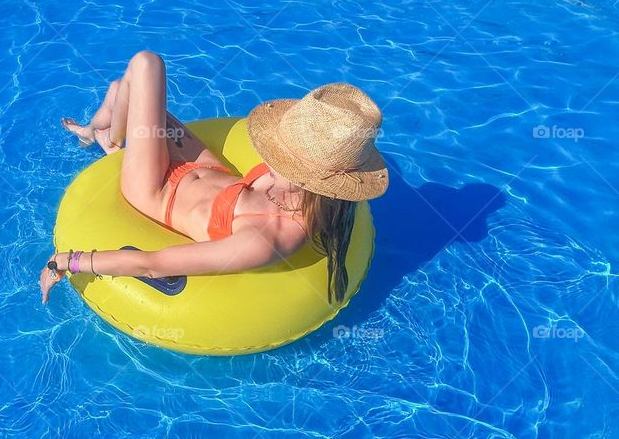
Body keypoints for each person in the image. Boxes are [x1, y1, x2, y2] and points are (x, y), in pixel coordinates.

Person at [41, 50, 388, 304]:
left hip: (157, 189)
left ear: (309, 180)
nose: (270, 158)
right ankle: (98, 135)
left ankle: (108, 142)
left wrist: (64, 262)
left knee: (146, 65)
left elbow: (154, 264)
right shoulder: (299, 191)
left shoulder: (267, 240)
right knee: (122, 91)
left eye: (282, 157)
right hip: (206, 170)